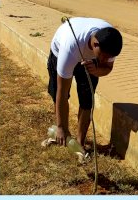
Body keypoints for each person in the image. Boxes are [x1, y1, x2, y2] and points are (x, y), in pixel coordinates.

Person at [47, 17, 122, 148]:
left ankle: (80, 142)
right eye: (103, 56)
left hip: (88, 57)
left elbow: (108, 68)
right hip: (60, 52)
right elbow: (62, 92)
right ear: (95, 44)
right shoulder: (69, 47)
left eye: (109, 57)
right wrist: (60, 127)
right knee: (58, 94)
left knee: (87, 100)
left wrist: (97, 69)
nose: (105, 60)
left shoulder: (111, 43)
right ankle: (63, 130)